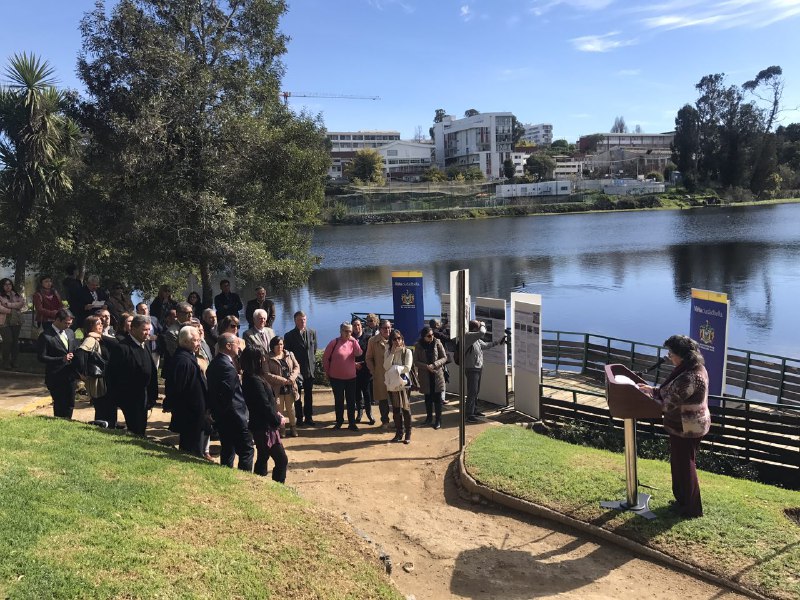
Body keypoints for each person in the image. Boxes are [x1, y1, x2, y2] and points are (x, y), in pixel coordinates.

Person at [638, 335, 711, 518]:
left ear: (682, 355)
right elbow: (669, 391)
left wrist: (644, 398)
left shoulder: (690, 377)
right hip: (684, 425)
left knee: (685, 466)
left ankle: (691, 508)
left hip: (688, 427)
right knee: (680, 464)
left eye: (671, 353)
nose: (669, 356)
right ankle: (683, 500)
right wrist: (652, 390)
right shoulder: (693, 368)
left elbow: (668, 404)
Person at [207, 333, 254, 471]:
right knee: (247, 450)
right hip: (234, 416)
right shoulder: (227, 367)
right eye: (236, 344)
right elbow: (228, 395)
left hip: (223, 417)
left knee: (228, 449)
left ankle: (226, 473)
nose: (239, 348)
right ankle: (244, 479)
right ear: (228, 346)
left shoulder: (215, 363)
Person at [105, 315, 158, 436]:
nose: (147, 333)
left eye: (149, 330)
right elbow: (112, 374)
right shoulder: (122, 348)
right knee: (135, 428)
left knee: (141, 428)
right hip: (129, 397)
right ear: (133, 329)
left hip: (144, 396)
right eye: (144, 330)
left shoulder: (144, 345)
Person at [240, 346, 288, 482]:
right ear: (256, 360)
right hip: (264, 427)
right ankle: (277, 487)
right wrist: (277, 420)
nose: (264, 359)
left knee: (263, 456)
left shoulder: (253, 376)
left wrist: (275, 413)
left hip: (261, 424)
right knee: (281, 460)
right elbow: (263, 405)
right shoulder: (253, 380)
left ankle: (259, 483)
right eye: (261, 357)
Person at [166, 326, 210, 458]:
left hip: (195, 411)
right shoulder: (183, 360)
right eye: (195, 341)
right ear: (185, 342)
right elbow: (178, 388)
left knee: (195, 444)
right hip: (190, 412)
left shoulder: (188, 356)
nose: (199, 343)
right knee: (191, 448)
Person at [36, 309, 79, 418]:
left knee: (70, 402)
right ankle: (58, 422)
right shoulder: (46, 336)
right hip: (55, 376)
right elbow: (41, 357)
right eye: (66, 323)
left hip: (70, 375)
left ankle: (67, 423)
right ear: (58, 320)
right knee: (60, 403)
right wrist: (61, 359)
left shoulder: (70, 333)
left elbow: (74, 349)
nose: (68, 326)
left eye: (70, 323)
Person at [463, 319, 507, 423]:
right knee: (472, 392)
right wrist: (482, 324)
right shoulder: (468, 336)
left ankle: (474, 410)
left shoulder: (475, 339)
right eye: (478, 327)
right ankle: (469, 415)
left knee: (476, 391)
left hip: (478, 367)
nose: (480, 329)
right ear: (474, 329)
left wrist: (498, 342)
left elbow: (485, 345)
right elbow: (482, 332)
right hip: (471, 368)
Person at [75, 314, 115, 426]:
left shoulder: (97, 337)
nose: (101, 326)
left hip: (101, 376)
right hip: (97, 377)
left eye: (102, 323)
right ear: (90, 325)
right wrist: (82, 373)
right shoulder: (90, 339)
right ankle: (101, 424)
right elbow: (80, 353)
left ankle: (107, 424)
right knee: (101, 402)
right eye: (98, 323)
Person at [322, 322, 363, 431]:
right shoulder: (334, 342)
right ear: (340, 331)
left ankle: (352, 423)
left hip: (351, 378)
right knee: (339, 401)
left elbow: (359, 353)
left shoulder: (352, 342)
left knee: (351, 401)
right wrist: (327, 372)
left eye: (350, 331)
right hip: (336, 378)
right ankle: (339, 422)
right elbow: (325, 358)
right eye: (346, 331)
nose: (348, 333)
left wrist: (355, 342)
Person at [284, 311, 317, 426]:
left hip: (309, 370)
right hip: (296, 371)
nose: (302, 322)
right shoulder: (289, 335)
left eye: (304, 319)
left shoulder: (312, 332)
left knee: (309, 395)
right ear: (295, 321)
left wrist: (312, 364)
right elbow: (287, 355)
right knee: (297, 395)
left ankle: (309, 417)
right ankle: (299, 418)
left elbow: (314, 350)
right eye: (299, 320)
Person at [264, 336, 301, 437]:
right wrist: (283, 380)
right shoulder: (267, 357)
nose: (279, 346)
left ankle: (293, 427)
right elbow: (267, 374)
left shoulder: (289, 354)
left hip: (290, 388)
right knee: (279, 410)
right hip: (277, 389)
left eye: (281, 344)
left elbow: (296, 367)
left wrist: (292, 378)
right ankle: (282, 429)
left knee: (291, 409)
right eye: (277, 345)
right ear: (272, 346)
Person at [414, 326, 449, 430]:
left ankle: (438, 420)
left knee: (438, 399)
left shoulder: (437, 342)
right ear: (424, 337)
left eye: (432, 335)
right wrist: (426, 367)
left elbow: (444, 357)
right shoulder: (418, 346)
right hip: (425, 375)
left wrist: (434, 364)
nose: (432, 337)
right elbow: (415, 361)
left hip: (436, 374)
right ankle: (429, 418)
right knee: (428, 398)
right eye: (429, 336)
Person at [383, 329, 414, 444]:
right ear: (391, 341)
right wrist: (392, 353)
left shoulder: (407, 352)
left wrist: (395, 369)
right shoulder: (387, 352)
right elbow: (386, 366)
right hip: (392, 384)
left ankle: (408, 434)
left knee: (406, 408)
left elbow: (407, 368)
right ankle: (398, 433)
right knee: (396, 409)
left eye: (398, 338)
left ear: (402, 339)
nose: (397, 341)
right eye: (394, 339)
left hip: (404, 384)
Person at [366, 319, 392, 430]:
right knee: (383, 400)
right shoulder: (372, 341)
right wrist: (373, 371)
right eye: (385, 328)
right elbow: (368, 358)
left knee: (396, 400)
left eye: (389, 327)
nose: (387, 330)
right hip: (380, 375)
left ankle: (398, 422)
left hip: (394, 375)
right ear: (380, 329)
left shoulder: (396, 338)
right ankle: (385, 421)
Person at [352, 318, 375, 425]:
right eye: (354, 325)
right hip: (353, 369)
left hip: (365, 369)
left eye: (358, 325)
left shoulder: (368, 337)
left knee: (366, 392)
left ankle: (369, 414)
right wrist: (354, 364)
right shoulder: (349, 338)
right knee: (356, 392)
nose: (357, 327)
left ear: (361, 325)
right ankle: (359, 413)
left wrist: (367, 365)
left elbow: (370, 354)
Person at [0, 278, 26, 370]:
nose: (8, 286)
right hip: (4, 322)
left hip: (16, 321)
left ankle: (14, 362)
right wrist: (11, 310)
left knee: (15, 342)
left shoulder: (16, 294)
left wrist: (7, 304)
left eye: (9, 284)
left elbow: (21, 303)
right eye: (5, 284)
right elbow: (0, 308)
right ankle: (5, 362)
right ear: (2, 286)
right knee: (8, 340)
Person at [136, 302, 162, 370]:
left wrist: (157, 337)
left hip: (155, 351)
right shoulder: (136, 322)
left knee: (155, 371)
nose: (144, 311)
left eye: (146, 308)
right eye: (142, 309)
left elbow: (161, 331)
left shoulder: (154, 319)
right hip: (143, 351)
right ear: (137, 312)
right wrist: (147, 338)